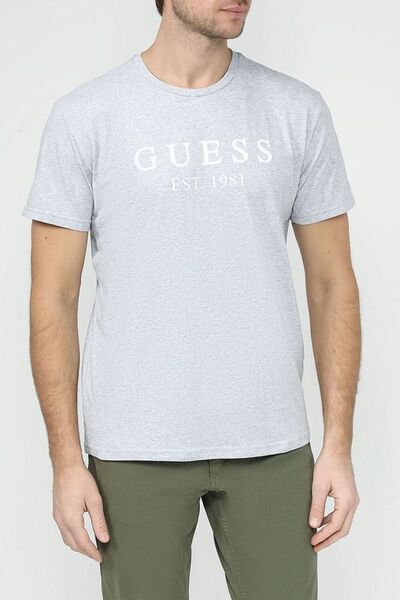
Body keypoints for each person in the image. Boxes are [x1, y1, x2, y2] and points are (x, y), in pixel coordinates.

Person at [22, 1, 361, 598]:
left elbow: (333, 284)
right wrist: (66, 461)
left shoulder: (296, 110)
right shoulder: (86, 116)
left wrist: (338, 446)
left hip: (272, 443)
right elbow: (54, 297)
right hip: (133, 447)